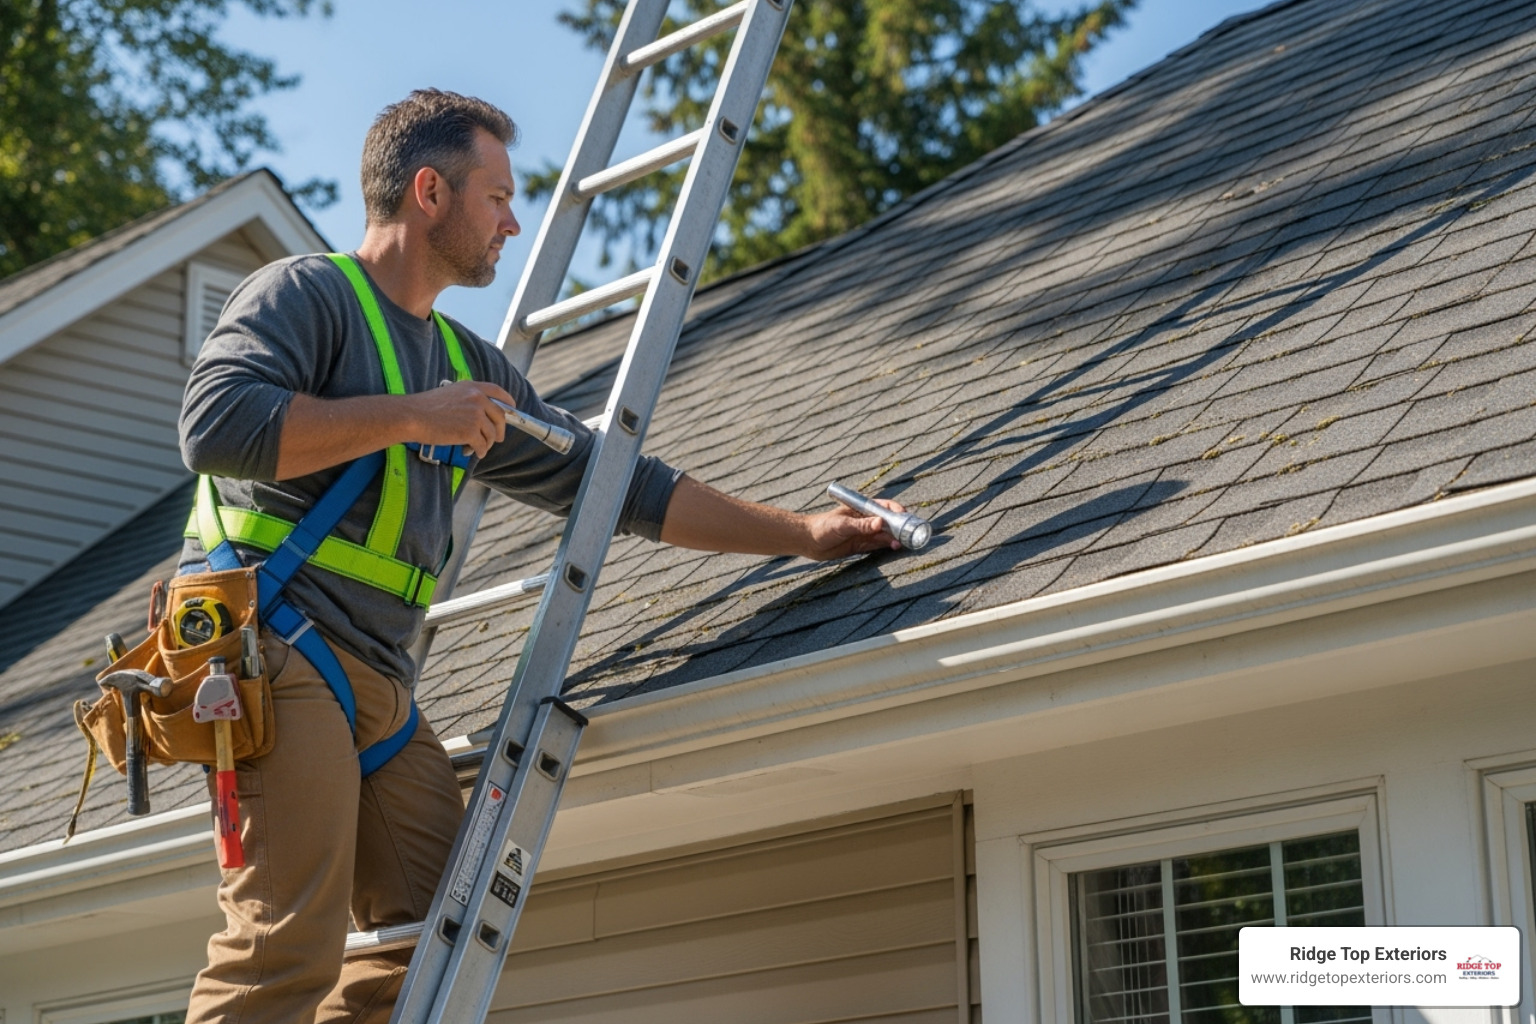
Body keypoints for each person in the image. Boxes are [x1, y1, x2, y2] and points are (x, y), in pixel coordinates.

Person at [176, 88, 905, 1024]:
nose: (516, 223)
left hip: (377, 678)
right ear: (429, 193)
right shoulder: (306, 297)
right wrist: (413, 414)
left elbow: (621, 488)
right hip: (273, 648)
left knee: (431, 931)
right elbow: (216, 426)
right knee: (283, 946)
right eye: (498, 198)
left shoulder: (468, 364)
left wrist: (804, 534)